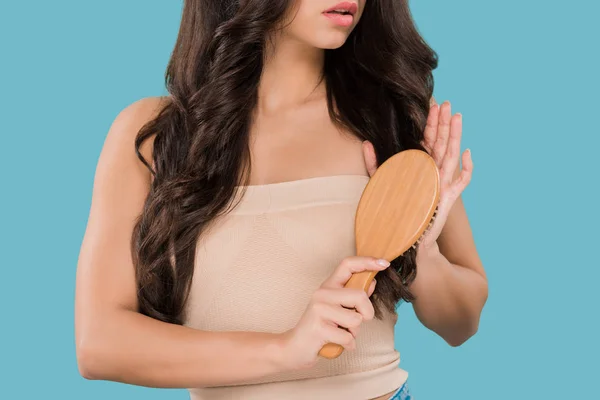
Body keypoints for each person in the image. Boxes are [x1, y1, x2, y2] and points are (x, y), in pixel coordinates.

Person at [75, 1, 488, 399]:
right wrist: (285, 349)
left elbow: (462, 323)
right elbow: (100, 344)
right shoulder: (154, 137)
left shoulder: (394, 120)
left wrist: (423, 253)